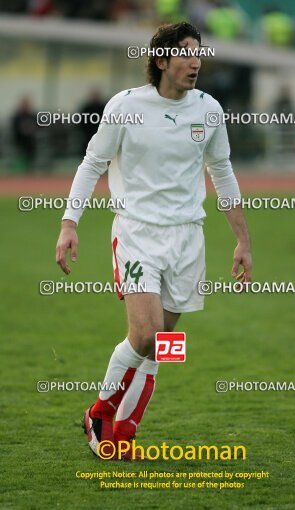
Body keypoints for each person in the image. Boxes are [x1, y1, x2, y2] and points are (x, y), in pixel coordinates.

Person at [56, 21, 252, 461]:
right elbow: (92, 164)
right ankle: (99, 412)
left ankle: (123, 434)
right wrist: (70, 223)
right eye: (184, 53)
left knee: (163, 345)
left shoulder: (209, 109)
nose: (195, 61)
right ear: (161, 60)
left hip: (188, 238)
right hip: (137, 231)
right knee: (146, 334)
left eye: (198, 52)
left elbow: (222, 172)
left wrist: (242, 241)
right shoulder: (125, 107)